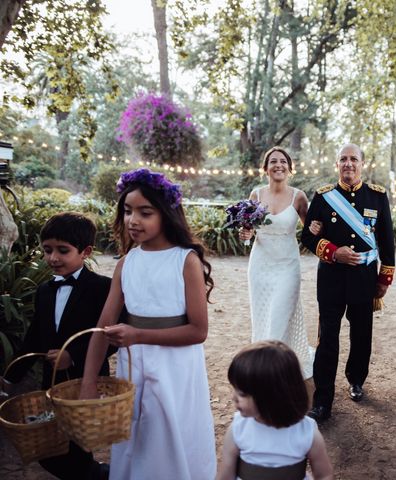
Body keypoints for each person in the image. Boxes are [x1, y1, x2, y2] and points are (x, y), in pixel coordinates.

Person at [79, 168, 217, 479]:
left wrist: (137, 334)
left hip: (175, 367)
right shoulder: (128, 263)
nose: (133, 221)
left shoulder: (185, 260)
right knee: (137, 436)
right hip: (134, 365)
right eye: (127, 211)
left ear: (166, 215)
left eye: (145, 212)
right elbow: (102, 326)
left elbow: (199, 331)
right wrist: (88, 382)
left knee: (170, 433)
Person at [0, 212, 111, 480]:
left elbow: (109, 336)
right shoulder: (45, 290)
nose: (53, 258)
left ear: (85, 252)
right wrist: (9, 377)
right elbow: (35, 337)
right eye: (47, 250)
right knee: (52, 448)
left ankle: (99, 474)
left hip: (85, 379)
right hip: (51, 382)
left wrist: (72, 356)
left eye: (63, 251)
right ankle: (98, 474)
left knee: (75, 444)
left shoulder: (102, 288)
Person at [300, 143, 395, 422]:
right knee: (327, 339)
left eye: (353, 159)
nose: (348, 164)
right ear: (337, 164)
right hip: (330, 278)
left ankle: (356, 379)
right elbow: (307, 237)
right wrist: (333, 251)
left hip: (364, 280)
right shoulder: (323, 197)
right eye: (343, 159)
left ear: (363, 164)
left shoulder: (377, 197)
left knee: (361, 334)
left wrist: (385, 278)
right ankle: (322, 400)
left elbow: (387, 240)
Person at [238, 146, 315, 378]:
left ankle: (275, 369)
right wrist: (245, 234)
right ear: (266, 168)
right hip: (260, 266)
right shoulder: (256, 194)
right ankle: (263, 362)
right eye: (273, 161)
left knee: (280, 314)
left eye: (283, 161)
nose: (278, 165)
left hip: (287, 267)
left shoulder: (298, 197)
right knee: (262, 316)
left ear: (289, 168)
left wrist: (315, 228)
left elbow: (311, 232)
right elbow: (248, 229)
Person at [216, 341, 334, 480]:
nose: (233, 397)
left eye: (242, 393)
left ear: (271, 396)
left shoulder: (306, 432)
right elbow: (226, 474)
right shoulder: (238, 428)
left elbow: (324, 474)